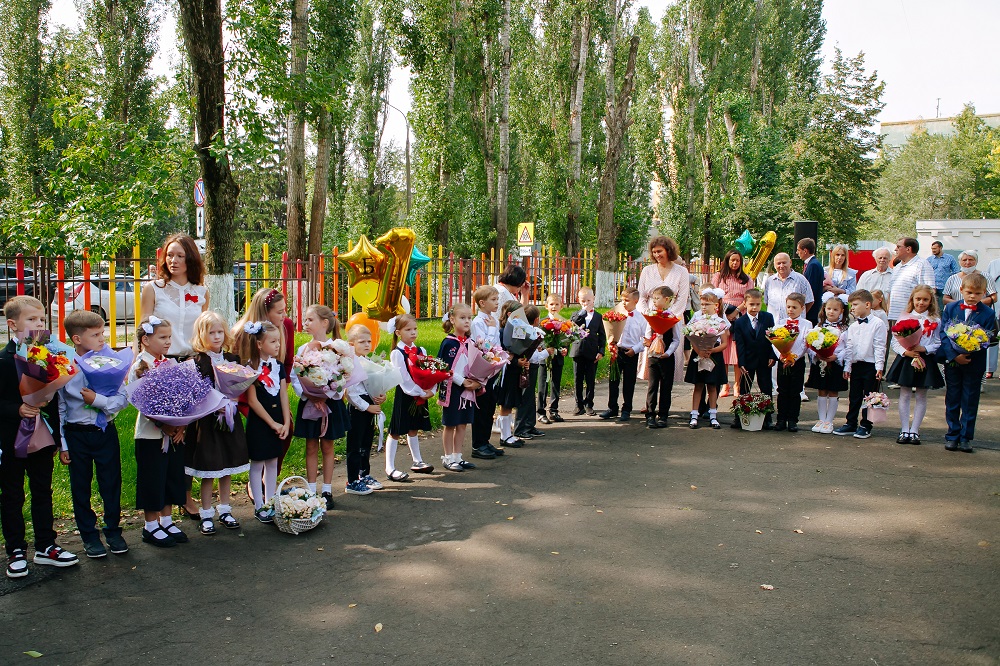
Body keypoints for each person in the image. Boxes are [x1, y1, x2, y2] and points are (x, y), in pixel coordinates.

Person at [2, 296, 79, 577]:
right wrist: (17, 409)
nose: (39, 325)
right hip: (11, 440)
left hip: (42, 437)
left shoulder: (49, 357)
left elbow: (56, 400)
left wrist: (60, 440)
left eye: (42, 320)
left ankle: (46, 545)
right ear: (12, 325)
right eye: (32, 320)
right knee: (12, 494)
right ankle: (15, 549)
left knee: (42, 491)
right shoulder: (3, 360)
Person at [58, 310, 129, 557]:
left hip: (104, 431)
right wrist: (63, 443)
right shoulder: (65, 365)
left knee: (111, 483)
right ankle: (89, 535)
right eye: (96, 335)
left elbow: (122, 397)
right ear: (77, 339)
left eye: (103, 333)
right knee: (81, 485)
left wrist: (98, 400)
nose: (103, 339)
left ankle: (113, 530)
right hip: (77, 434)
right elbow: (61, 406)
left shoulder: (110, 361)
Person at [185, 311, 250, 535]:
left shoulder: (232, 359)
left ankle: (225, 509)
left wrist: (232, 399)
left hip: (229, 418)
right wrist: (214, 403)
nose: (216, 337)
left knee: (227, 465)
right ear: (201, 335)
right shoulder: (197, 361)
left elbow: (239, 386)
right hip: (207, 422)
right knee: (209, 467)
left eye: (220, 331)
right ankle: (205, 513)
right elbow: (196, 394)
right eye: (211, 332)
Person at [129, 316, 189, 547]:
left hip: (174, 434)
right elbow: (141, 401)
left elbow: (185, 398)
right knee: (153, 478)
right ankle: (150, 525)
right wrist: (162, 423)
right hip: (150, 435)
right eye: (162, 337)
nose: (167, 342)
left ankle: (167, 519)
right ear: (145, 340)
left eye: (169, 337)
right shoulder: (140, 367)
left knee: (171, 476)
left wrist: (182, 424)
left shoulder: (171, 364)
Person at [234, 288, 296, 499]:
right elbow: (238, 373)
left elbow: (286, 364)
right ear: (264, 312)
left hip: (274, 394)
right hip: (249, 398)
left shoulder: (285, 327)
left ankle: (269, 486)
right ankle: (257, 490)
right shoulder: (246, 333)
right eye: (279, 312)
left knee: (285, 433)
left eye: (284, 310)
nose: (284, 316)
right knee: (260, 447)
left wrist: (280, 407)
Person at [290, 305, 349, 510]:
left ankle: (327, 490)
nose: (305, 323)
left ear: (324, 323)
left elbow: (343, 376)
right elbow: (295, 376)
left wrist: (328, 395)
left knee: (328, 446)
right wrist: (309, 395)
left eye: (309, 320)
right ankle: (311, 489)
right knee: (311, 446)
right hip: (310, 403)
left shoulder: (337, 348)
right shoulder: (303, 349)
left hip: (330, 403)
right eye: (305, 320)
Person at [238, 321, 290, 523]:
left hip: (278, 421)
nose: (278, 345)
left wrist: (285, 422)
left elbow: (283, 395)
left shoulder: (278, 366)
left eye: (279, 341)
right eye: (273, 341)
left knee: (273, 461)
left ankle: (270, 501)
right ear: (259, 344)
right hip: (260, 423)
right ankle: (259, 506)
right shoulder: (250, 367)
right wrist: (272, 423)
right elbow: (252, 401)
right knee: (258, 461)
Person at [940, 273, 997, 452]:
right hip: (953, 362)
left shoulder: (988, 313)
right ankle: (952, 435)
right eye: (969, 292)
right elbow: (943, 334)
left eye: (978, 293)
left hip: (975, 361)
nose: (972, 296)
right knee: (953, 398)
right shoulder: (951, 308)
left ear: (984, 294)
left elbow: (989, 337)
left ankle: (966, 437)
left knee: (970, 399)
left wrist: (972, 349)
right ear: (961, 290)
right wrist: (954, 355)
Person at [885, 284, 942, 445]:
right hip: (907, 359)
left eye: (925, 299)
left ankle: (915, 430)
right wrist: (906, 352)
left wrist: (925, 348)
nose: (921, 302)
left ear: (931, 301)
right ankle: (904, 429)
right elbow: (895, 342)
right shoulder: (904, 317)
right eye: (918, 299)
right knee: (905, 394)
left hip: (925, 358)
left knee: (922, 395)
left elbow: (937, 342)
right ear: (912, 299)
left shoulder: (935, 320)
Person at [385, 313, 436, 480]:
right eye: (408, 329)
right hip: (407, 394)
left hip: (421, 393)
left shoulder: (421, 350)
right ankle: (389, 467)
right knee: (396, 429)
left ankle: (417, 460)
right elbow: (403, 378)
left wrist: (431, 389)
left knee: (414, 427)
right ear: (398, 332)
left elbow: (431, 371)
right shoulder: (397, 353)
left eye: (415, 329)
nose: (413, 332)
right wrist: (420, 391)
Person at [140, 233, 208, 358]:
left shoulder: (202, 292)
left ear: (190, 259)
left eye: (180, 256)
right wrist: (137, 361)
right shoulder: (152, 289)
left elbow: (203, 333)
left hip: (194, 361)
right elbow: (142, 329)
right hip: (161, 361)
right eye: (169, 255)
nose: (173, 261)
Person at [833, 290, 887, 440]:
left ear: (868, 304)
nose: (853, 308)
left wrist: (879, 367)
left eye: (855, 304)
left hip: (870, 366)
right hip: (857, 365)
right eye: (851, 305)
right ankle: (851, 423)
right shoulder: (853, 326)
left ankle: (866, 425)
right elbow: (849, 348)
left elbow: (880, 346)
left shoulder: (878, 324)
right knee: (854, 396)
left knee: (869, 397)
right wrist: (847, 366)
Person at [636, 236, 690, 383]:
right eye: (654, 252)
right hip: (651, 319)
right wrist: (649, 314)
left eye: (660, 251)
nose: (657, 255)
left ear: (668, 250)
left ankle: (665, 401)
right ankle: (650, 401)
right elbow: (641, 296)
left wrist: (668, 317)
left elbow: (682, 298)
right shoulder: (647, 271)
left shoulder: (681, 272)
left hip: (672, 319)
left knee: (669, 359)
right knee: (652, 361)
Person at [437, 304, 480, 472]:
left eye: (469, 318)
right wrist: (462, 381)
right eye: (463, 318)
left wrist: (478, 381)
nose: (467, 321)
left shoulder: (471, 342)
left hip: (468, 389)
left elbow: (476, 363)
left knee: (463, 423)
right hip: (453, 388)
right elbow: (443, 367)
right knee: (451, 423)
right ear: (452, 320)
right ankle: (448, 457)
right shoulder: (448, 343)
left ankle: (458, 456)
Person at [345, 325, 387, 493]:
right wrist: (366, 407)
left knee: (366, 442)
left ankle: (364, 474)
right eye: (361, 341)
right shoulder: (350, 364)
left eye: (369, 341)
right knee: (355, 444)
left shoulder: (369, 362)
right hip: (358, 407)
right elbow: (351, 392)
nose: (366, 344)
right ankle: (352, 480)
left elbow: (375, 383)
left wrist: (381, 395)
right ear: (351, 344)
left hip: (370, 403)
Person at [685, 287, 731, 430]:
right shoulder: (697, 318)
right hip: (699, 353)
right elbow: (690, 335)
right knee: (698, 385)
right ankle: (694, 415)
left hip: (714, 355)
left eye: (707, 304)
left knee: (712, 386)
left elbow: (724, 343)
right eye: (702, 304)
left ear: (716, 306)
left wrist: (712, 349)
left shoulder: (720, 322)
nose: (704, 307)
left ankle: (713, 416)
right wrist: (699, 350)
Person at [731, 289, 776, 430]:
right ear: (745, 304)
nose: (754, 307)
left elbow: (772, 339)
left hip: (764, 360)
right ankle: (740, 418)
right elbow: (740, 344)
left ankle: (767, 418)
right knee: (744, 389)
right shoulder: (740, 322)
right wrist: (741, 363)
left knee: (766, 388)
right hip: (748, 361)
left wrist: (772, 356)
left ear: (761, 303)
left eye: (757, 304)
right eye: (751, 304)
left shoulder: (768, 317)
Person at [805, 294, 850, 434]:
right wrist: (817, 354)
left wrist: (836, 356)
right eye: (828, 308)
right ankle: (821, 419)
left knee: (832, 390)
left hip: (835, 363)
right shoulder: (818, 326)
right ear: (824, 309)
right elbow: (809, 344)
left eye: (835, 309)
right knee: (821, 390)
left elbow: (848, 348)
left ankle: (829, 421)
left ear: (842, 311)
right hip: (820, 363)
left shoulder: (845, 329)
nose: (831, 312)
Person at [711, 250, 752, 398]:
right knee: (724, 351)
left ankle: (737, 384)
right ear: (727, 261)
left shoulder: (746, 279)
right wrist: (724, 313)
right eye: (732, 260)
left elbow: (749, 298)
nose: (735, 263)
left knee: (737, 352)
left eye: (737, 260)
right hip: (722, 315)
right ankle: (725, 384)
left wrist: (736, 312)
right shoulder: (719, 277)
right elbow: (713, 296)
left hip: (740, 315)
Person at [599, 287, 644, 422]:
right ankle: (612, 407)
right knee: (613, 380)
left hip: (631, 352)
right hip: (617, 351)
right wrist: (610, 342)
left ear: (636, 301)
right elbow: (611, 331)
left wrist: (635, 349)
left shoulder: (641, 318)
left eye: (626, 300)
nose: (623, 303)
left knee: (629, 382)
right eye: (622, 300)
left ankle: (626, 409)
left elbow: (646, 338)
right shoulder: (618, 314)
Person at [470, 285, 504, 459]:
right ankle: (478, 444)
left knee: (490, 405)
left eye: (497, 299)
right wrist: (491, 329)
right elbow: (484, 346)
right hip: (482, 370)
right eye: (493, 300)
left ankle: (485, 440)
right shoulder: (477, 322)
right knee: (482, 407)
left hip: (494, 369)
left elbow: (496, 346)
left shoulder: (493, 320)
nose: (497, 303)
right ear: (482, 303)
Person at [772, 293, 813, 432]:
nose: (791, 310)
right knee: (782, 390)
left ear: (802, 308)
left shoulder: (807, 324)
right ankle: (781, 419)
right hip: (783, 361)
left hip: (797, 362)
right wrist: (782, 355)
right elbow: (774, 342)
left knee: (795, 391)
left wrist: (794, 357)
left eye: (794, 307)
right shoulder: (781, 322)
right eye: (788, 306)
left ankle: (793, 420)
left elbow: (805, 343)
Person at [644, 286, 680, 429]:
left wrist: (668, 352)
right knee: (652, 386)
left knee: (666, 386)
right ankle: (650, 414)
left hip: (666, 357)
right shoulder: (651, 316)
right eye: (653, 298)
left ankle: (663, 415)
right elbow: (647, 333)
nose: (654, 301)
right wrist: (647, 342)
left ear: (666, 299)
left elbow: (676, 339)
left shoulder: (672, 317)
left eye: (657, 298)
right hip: (653, 356)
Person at [514, 305, 551, 439]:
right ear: (536, 320)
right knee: (525, 397)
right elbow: (533, 356)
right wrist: (547, 352)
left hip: (531, 367)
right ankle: (520, 428)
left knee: (530, 397)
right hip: (528, 366)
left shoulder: (528, 330)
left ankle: (529, 425)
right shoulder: (530, 332)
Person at [571, 286, 606, 416]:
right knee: (577, 378)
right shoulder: (576, 314)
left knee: (590, 379)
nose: (585, 304)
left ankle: (589, 404)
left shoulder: (598, 316)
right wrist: (582, 313)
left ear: (594, 299)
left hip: (592, 352)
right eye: (583, 301)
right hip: (578, 351)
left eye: (588, 301)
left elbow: (602, 335)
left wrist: (601, 351)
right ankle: (578, 404)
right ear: (579, 301)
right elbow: (572, 325)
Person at [537, 293, 568, 424]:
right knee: (543, 384)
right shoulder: (542, 322)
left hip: (557, 357)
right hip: (545, 357)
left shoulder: (564, 322)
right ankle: (541, 411)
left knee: (556, 383)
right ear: (546, 306)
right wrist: (545, 348)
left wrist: (564, 348)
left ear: (561, 306)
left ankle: (554, 410)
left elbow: (567, 339)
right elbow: (539, 339)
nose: (554, 307)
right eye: (551, 304)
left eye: (557, 304)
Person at [889, 237, 936, 323]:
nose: (895, 249)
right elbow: (890, 292)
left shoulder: (922, 265)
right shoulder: (897, 267)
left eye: (898, 246)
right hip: (894, 316)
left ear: (908, 249)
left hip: (912, 318)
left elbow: (930, 291)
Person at [762, 253, 814, 326]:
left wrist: (797, 313)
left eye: (784, 262)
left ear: (790, 263)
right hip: (774, 326)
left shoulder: (801, 280)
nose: (781, 266)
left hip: (795, 327)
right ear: (774, 265)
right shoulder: (769, 281)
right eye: (778, 263)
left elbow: (809, 301)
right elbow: (767, 302)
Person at [796, 238, 825, 323]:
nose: (797, 253)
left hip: (812, 309)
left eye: (798, 250)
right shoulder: (810, 264)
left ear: (805, 251)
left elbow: (811, 288)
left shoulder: (813, 265)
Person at [927, 240, 959, 311]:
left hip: (944, 287)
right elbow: (926, 272)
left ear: (940, 248)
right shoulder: (929, 259)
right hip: (932, 287)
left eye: (935, 249)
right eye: (932, 249)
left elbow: (956, 271)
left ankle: (942, 321)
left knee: (942, 308)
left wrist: (950, 281)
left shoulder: (950, 258)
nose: (933, 250)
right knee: (931, 308)